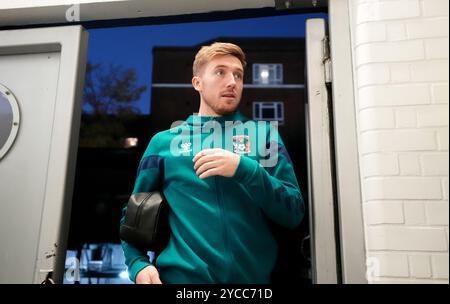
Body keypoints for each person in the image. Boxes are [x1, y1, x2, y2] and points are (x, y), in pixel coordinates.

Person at [120, 42, 305, 284]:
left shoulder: (264, 136)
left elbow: (293, 212)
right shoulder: (163, 143)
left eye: (238, 75)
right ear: (197, 83)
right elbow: (133, 214)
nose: (232, 82)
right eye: (220, 72)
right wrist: (137, 264)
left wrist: (245, 169)